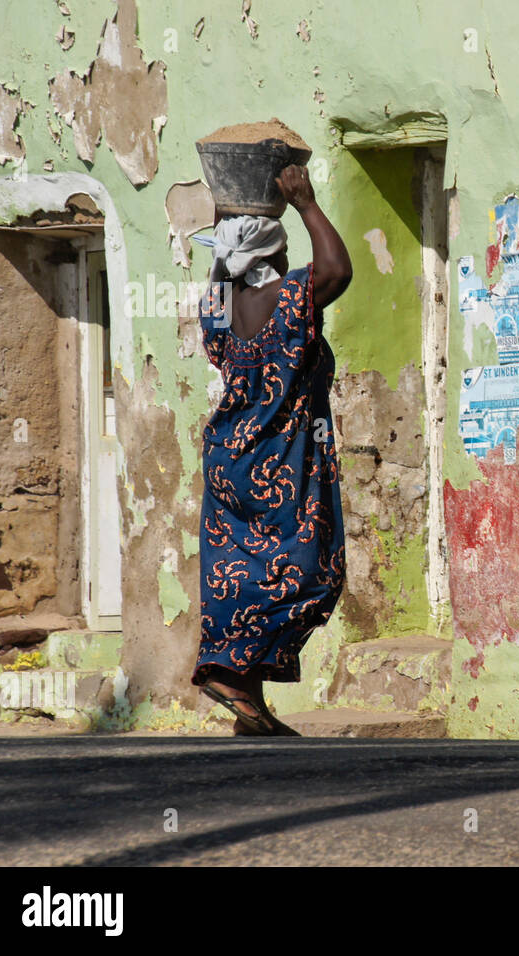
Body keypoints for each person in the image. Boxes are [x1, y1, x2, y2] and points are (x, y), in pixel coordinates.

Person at [192, 164, 352, 735]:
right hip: (280, 460)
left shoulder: (219, 307)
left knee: (237, 570)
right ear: (276, 257)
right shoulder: (287, 299)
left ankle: (249, 707)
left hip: (228, 460)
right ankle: (231, 676)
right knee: (313, 572)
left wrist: (228, 207)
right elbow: (336, 268)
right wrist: (305, 204)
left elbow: (222, 260)